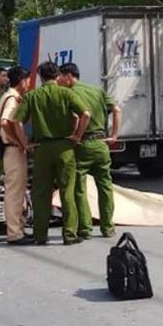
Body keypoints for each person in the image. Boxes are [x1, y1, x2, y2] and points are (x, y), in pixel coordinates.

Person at [9, 61, 90, 245]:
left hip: (42, 149)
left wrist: (26, 144)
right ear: (56, 76)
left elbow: (16, 122)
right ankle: (69, 235)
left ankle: (40, 235)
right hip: (65, 148)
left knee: (40, 194)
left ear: (40, 77)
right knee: (67, 192)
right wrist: (77, 136)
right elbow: (85, 114)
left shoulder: (32, 96)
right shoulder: (66, 93)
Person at [57, 63, 121, 240]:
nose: (58, 80)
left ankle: (85, 228)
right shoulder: (97, 90)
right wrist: (114, 135)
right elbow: (117, 109)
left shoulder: (70, 93)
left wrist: (77, 135)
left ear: (69, 76)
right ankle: (108, 227)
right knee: (106, 186)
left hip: (83, 144)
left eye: (60, 77)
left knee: (79, 187)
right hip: (101, 143)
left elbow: (78, 117)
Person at [0, 66, 32, 246]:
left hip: (10, 149)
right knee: (15, 192)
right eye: (27, 80)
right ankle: (15, 233)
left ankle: (19, 228)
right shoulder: (12, 98)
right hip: (12, 149)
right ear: (21, 81)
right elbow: (5, 121)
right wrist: (18, 140)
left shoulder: (7, 95)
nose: (29, 84)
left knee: (17, 191)